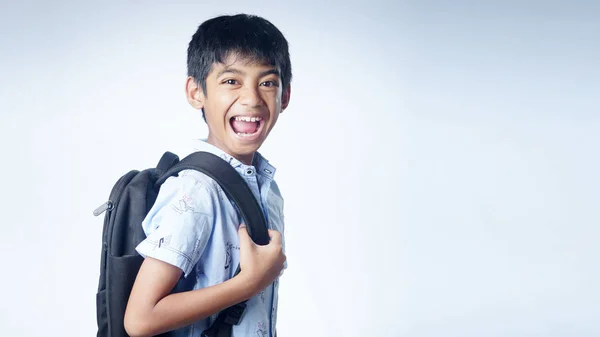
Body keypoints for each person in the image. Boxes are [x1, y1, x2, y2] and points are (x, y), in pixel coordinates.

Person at [123, 13, 292, 337]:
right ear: (196, 92)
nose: (252, 98)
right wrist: (249, 283)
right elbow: (140, 320)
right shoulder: (195, 191)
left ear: (284, 96)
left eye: (267, 82)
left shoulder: (268, 189)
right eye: (231, 81)